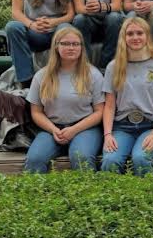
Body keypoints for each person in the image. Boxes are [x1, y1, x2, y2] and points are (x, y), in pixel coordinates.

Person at [100, 17, 153, 175]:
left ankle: (145, 197)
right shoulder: (113, 66)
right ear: (124, 37)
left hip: (151, 125)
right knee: (110, 160)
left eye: (140, 33)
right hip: (122, 126)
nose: (135, 37)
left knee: (141, 158)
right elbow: (109, 105)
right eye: (130, 34)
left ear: (147, 36)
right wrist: (107, 135)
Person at [24, 26, 105, 173]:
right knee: (34, 159)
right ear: (56, 46)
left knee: (82, 158)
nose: (71, 48)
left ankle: (88, 195)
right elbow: (36, 112)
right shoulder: (42, 76)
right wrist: (54, 130)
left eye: (75, 44)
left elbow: (100, 112)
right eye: (65, 44)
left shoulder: (93, 74)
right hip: (52, 128)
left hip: (84, 128)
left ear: (82, 47)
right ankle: (40, 195)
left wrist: (74, 130)